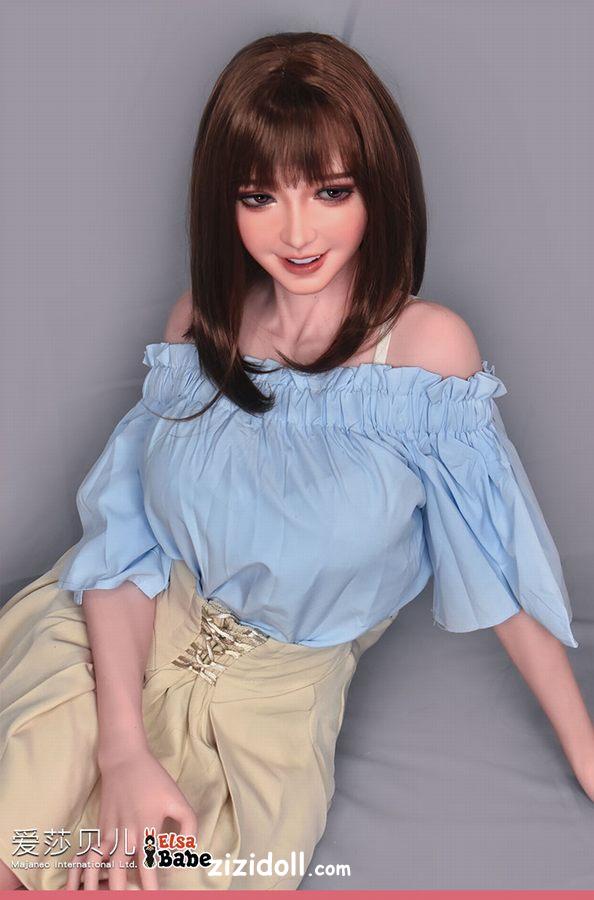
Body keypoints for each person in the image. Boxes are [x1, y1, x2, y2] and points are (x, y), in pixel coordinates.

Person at [0, 30, 592, 892]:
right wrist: (121, 744)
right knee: (14, 850)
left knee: (158, 877)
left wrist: (585, 747)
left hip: (268, 720)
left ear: (378, 188)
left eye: (331, 190)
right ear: (224, 204)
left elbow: (502, 565)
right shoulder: (199, 327)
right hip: (101, 654)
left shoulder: (426, 355)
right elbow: (124, 545)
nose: (298, 231)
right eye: (259, 196)